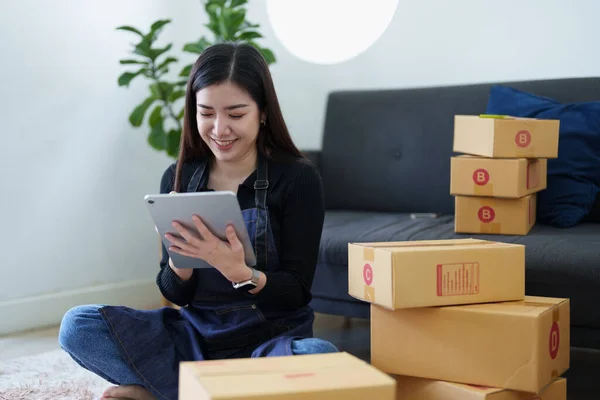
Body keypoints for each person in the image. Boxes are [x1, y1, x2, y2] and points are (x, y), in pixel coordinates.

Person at [58, 42, 339, 400]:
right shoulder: (178, 177)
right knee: (78, 326)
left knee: (320, 358)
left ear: (263, 112)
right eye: (206, 113)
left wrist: (240, 272)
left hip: (269, 341)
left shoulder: (297, 178)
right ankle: (216, 392)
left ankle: (165, 392)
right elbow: (173, 292)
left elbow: (297, 291)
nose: (220, 129)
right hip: (195, 339)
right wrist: (179, 259)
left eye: (236, 115)